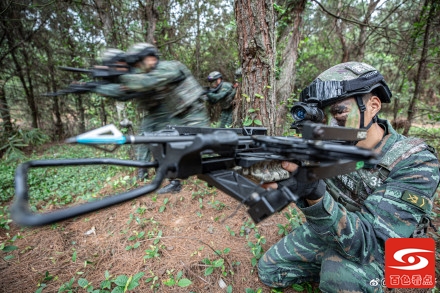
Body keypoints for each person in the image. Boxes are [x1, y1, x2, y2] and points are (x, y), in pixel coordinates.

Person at [257, 62, 440, 292]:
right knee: (271, 270)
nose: (329, 125)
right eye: (321, 117)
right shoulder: (326, 144)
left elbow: (372, 241)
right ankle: (333, 259)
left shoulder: (416, 161)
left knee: (340, 277)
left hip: (395, 250)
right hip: (342, 228)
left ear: (373, 106)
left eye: (339, 112)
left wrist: (314, 193)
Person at [94, 43, 210, 194]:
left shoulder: (169, 67)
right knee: (155, 140)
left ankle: (218, 174)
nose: (137, 67)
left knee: (205, 149)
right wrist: (99, 86)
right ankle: (169, 179)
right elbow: (124, 93)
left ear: (150, 58)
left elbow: (145, 82)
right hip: (172, 116)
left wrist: (119, 77)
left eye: (138, 63)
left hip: (192, 113)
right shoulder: (144, 75)